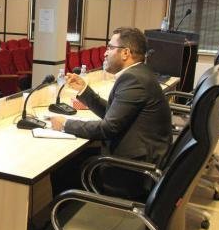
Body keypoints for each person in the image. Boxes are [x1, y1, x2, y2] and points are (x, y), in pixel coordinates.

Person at [49, 27, 172, 199]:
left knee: (63, 166)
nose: (105, 53)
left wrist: (65, 124)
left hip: (132, 169)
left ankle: (68, 211)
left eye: (110, 47)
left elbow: (108, 127)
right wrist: (84, 90)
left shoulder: (133, 79)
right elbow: (113, 114)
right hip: (139, 156)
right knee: (76, 158)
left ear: (125, 53)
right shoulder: (139, 73)